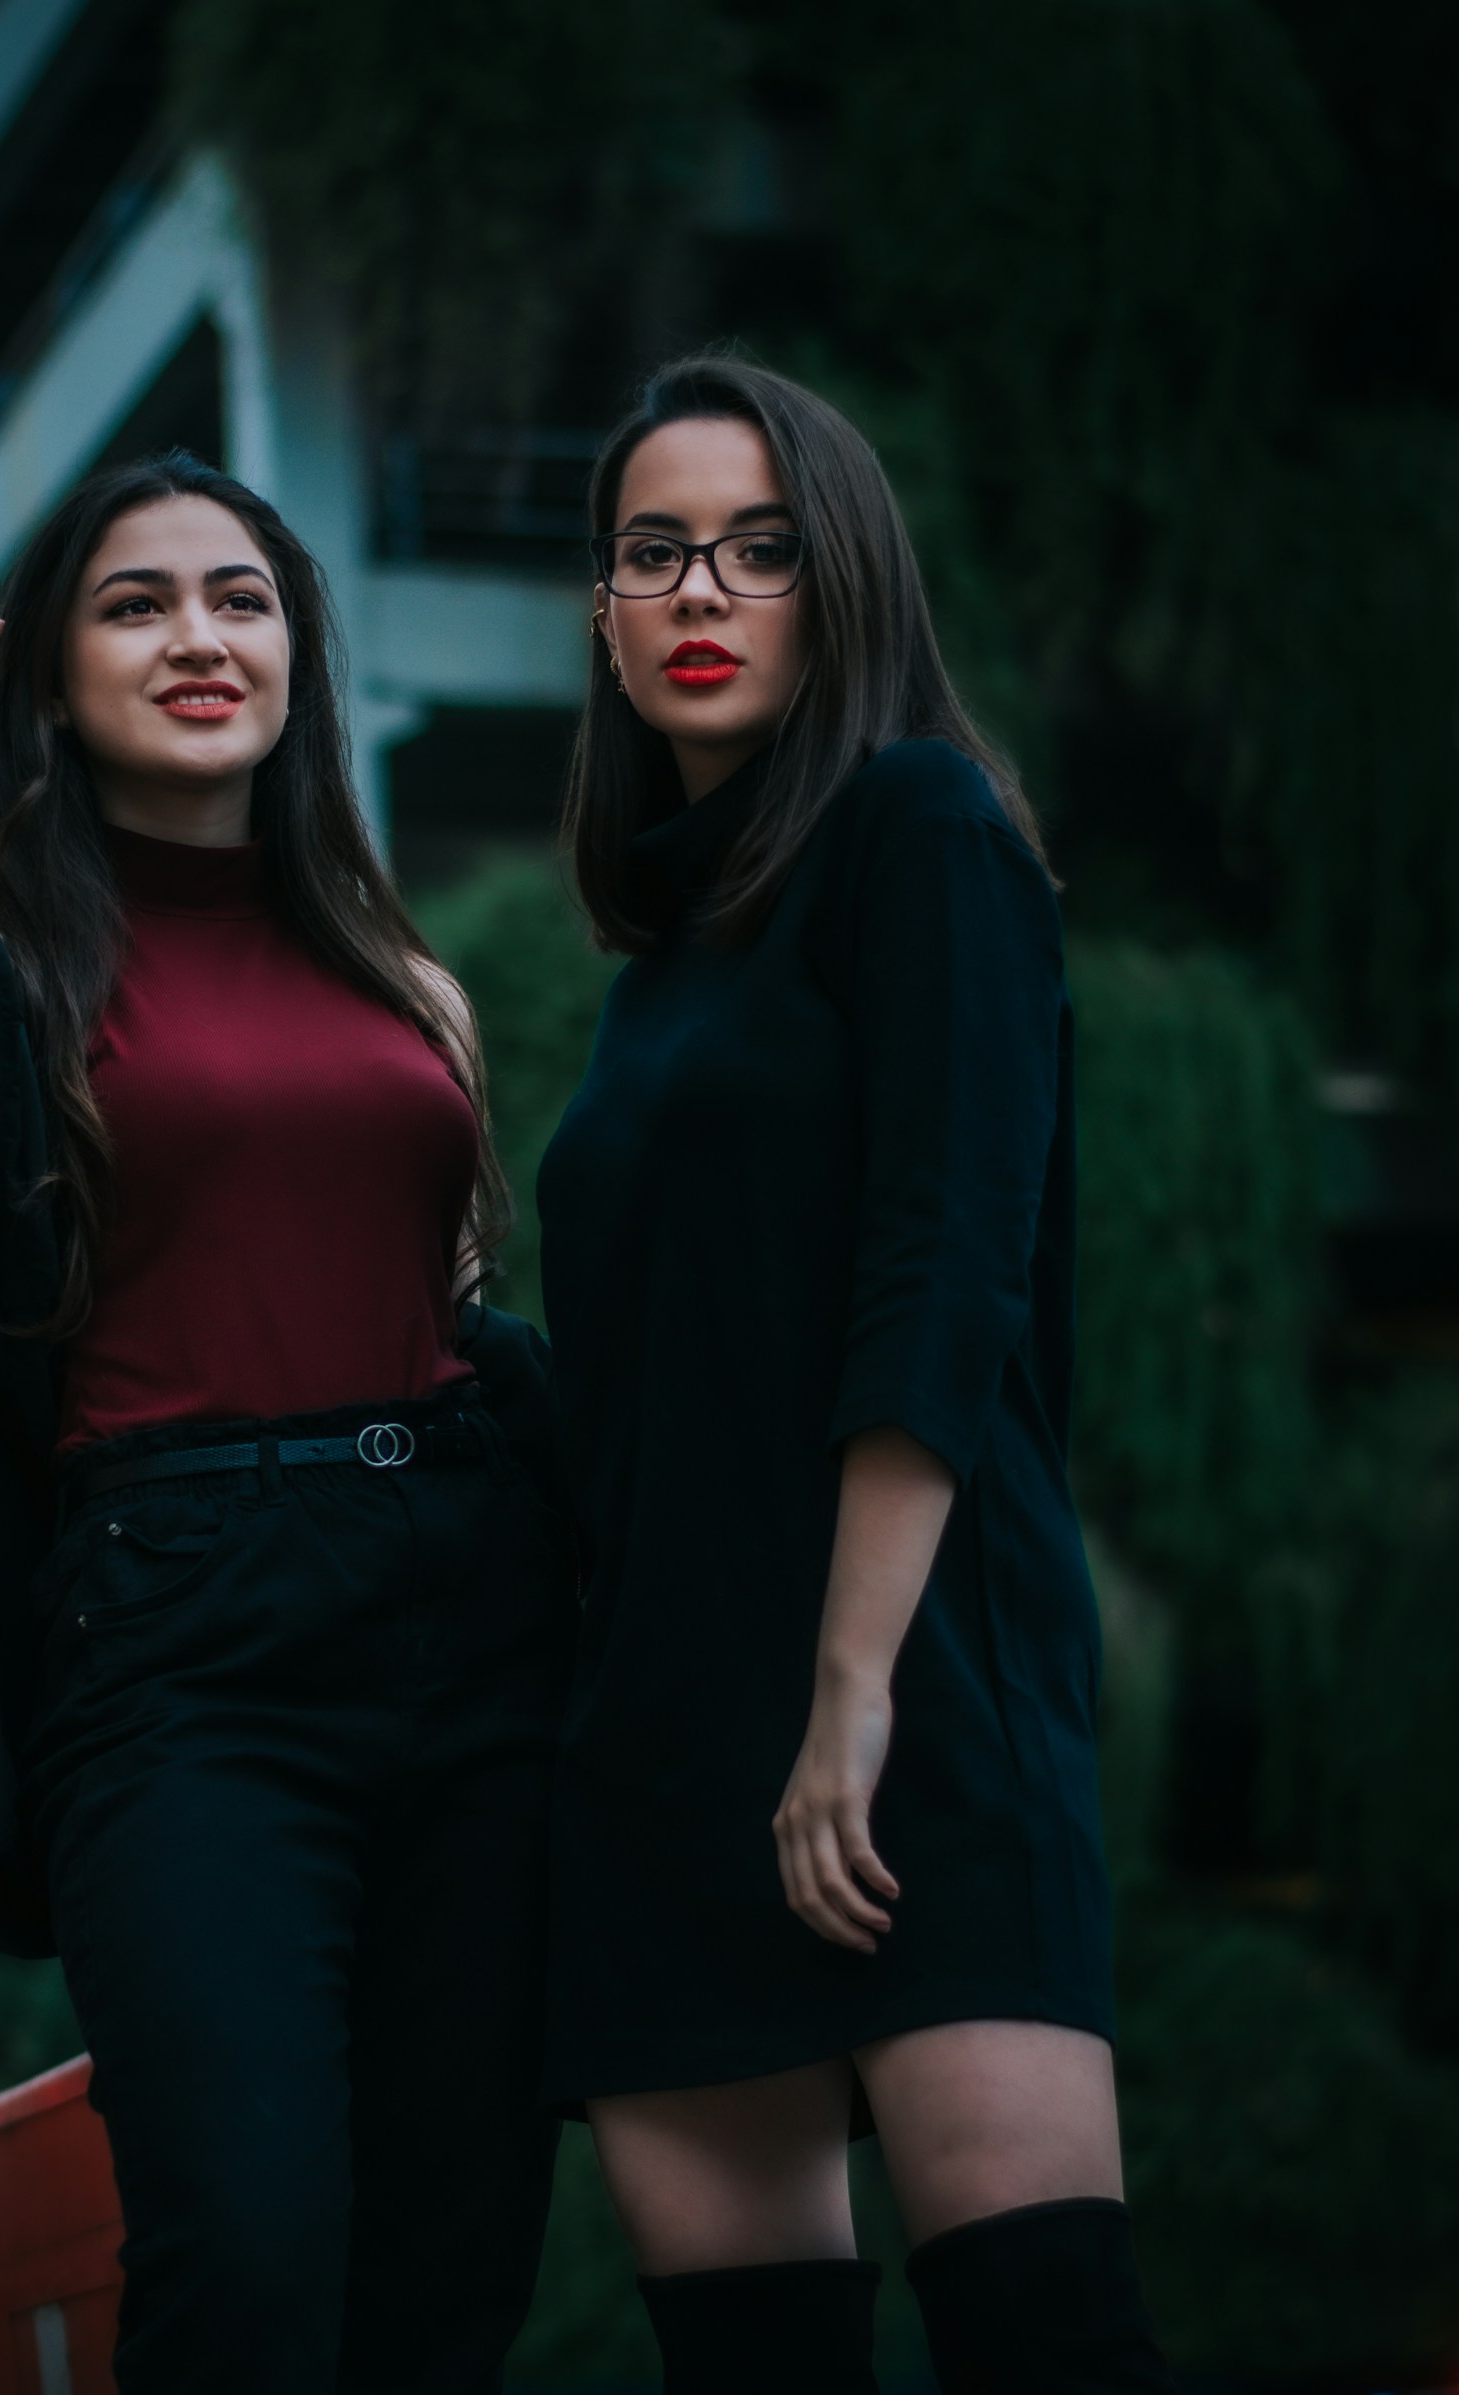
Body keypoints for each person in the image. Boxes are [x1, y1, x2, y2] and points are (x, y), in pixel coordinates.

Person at [0, 452, 576, 2394]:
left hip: (469, 1622)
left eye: (242, 598)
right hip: (182, 1652)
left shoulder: (401, 972)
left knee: (453, 2278)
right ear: (52, 677)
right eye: (137, 602)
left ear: (298, 658)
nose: (199, 636)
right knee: (245, 2259)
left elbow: (454, 1295)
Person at [535, 355, 1176, 2394]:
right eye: (654, 551)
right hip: (661, 1761)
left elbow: (947, 1268)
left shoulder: (924, 832)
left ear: (843, 582)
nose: (701, 585)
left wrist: (851, 1694)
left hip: (904, 1711)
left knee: (1044, 2340)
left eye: (758, 546)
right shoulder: (652, 976)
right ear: (608, 614)